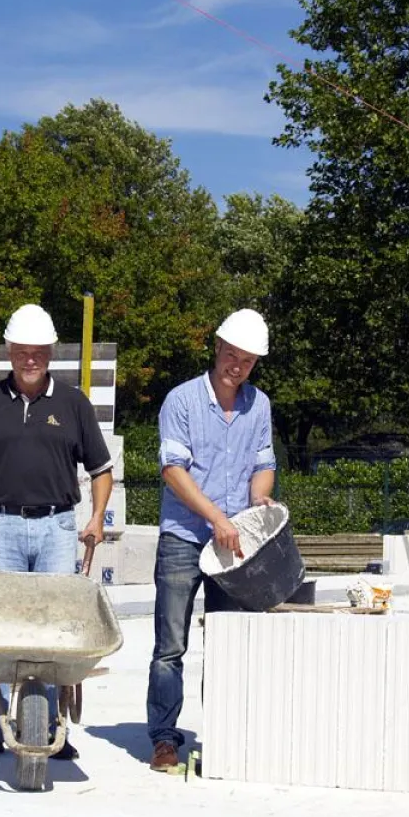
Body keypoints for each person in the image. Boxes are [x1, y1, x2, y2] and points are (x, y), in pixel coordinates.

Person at [0, 302, 113, 761]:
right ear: (10, 352)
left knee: (55, 631)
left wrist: (96, 517)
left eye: (38, 351)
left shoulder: (73, 404)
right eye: (22, 351)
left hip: (58, 527)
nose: (30, 359)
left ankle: (53, 724)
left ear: (50, 353)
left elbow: (101, 470)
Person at [145, 308, 276, 771]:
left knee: (227, 642)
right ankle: (164, 739)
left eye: (247, 361)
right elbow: (172, 471)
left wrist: (259, 501)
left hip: (233, 541)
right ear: (217, 347)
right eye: (232, 355)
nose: (236, 366)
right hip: (184, 535)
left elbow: (263, 463)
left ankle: (224, 734)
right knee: (171, 646)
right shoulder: (180, 401)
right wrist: (218, 517)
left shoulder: (258, 405)